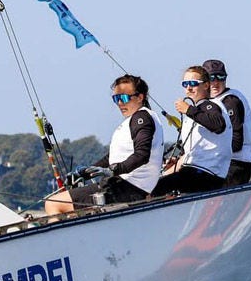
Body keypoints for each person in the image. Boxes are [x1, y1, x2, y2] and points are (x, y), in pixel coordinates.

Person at [44, 75, 164, 215]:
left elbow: (142, 155)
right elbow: (112, 157)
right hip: (124, 185)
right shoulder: (135, 119)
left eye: (124, 98)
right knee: (71, 211)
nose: (120, 103)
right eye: (116, 99)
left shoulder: (141, 118)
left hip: (127, 187)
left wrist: (114, 170)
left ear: (140, 97)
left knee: (54, 204)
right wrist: (87, 172)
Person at [151, 66, 231, 196]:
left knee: (158, 189)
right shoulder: (197, 110)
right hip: (195, 172)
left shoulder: (210, 105)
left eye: (193, 84)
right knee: (157, 185)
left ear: (206, 85)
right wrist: (178, 161)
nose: (188, 88)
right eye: (185, 84)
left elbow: (218, 125)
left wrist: (188, 110)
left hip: (207, 174)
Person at [203, 59, 251, 186]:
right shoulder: (210, 102)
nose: (215, 83)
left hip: (237, 164)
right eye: (211, 78)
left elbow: (236, 144)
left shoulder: (231, 101)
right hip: (220, 162)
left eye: (220, 77)